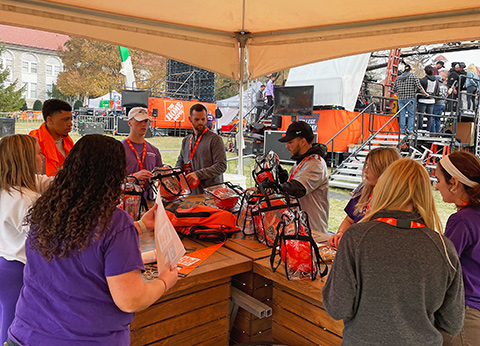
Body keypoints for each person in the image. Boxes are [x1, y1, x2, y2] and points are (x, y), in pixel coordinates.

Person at [7, 135, 178, 346]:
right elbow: (130, 299)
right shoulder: (114, 222)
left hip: (25, 335)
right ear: (115, 175)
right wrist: (164, 282)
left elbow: (86, 242)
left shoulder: (47, 210)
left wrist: (141, 225)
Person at [323, 158, 464, 346]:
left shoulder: (356, 238)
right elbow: (452, 323)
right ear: (425, 193)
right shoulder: (444, 248)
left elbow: (337, 307)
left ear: (384, 187)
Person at [0, 135, 51, 343]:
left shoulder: (8, 190)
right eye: (38, 153)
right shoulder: (28, 199)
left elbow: (46, 182)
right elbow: (45, 241)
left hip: (4, 263)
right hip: (19, 269)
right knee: (14, 327)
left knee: (5, 318)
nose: (43, 156)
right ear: (27, 160)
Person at [435, 151, 480, 346]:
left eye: (438, 180)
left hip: (464, 315)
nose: (436, 187)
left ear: (454, 182)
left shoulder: (462, 220)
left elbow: (443, 267)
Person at [328, 147, 401, 248]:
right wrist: (341, 233)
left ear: (383, 170)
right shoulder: (364, 191)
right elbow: (349, 220)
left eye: (370, 167)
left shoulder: (399, 201)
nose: (366, 170)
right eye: (366, 165)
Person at [277, 121, 329, 234]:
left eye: (290, 142)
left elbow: (297, 189)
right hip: (299, 228)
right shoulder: (302, 161)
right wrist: (279, 173)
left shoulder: (316, 163)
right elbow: (291, 184)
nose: (287, 146)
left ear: (303, 141)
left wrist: (274, 186)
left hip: (313, 230)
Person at [176, 103, 227, 195]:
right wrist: (175, 173)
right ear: (190, 119)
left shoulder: (215, 139)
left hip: (211, 194)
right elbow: (180, 162)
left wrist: (197, 174)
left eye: (203, 119)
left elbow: (221, 166)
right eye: (197, 119)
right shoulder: (186, 141)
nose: (200, 122)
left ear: (207, 118)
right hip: (191, 193)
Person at [121, 107, 162, 200]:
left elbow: (159, 180)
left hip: (148, 203)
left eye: (146, 121)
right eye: (139, 121)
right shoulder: (119, 149)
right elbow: (110, 181)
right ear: (129, 123)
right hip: (125, 204)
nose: (144, 124)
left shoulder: (154, 150)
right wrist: (133, 177)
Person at [29, 99, 74, 176]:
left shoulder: (69, 143)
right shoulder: (32, 143)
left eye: (71, 119)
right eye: (66, 119)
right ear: (50, 120)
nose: (70, 124)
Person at [392, 65, 429, 134]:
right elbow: (419, 87)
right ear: (411, 69)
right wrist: (426, 93)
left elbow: (394, 89)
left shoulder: (398, 78)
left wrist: (400, 94)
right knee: (411, 115)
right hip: (410, 99)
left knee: (402, 114)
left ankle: (402, 130)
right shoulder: (413, 77)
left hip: (401, 99)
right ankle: (410, 130)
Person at [417, 65, 439, 132]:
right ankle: (428, 131)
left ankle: (420, 130)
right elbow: (437, 91)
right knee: (430, 117)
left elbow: (419, 90)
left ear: (425, 72)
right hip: (432, 100)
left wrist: (418, 99)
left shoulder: (422, 80)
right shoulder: (437, 81)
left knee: (421, 116)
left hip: (422, 100)